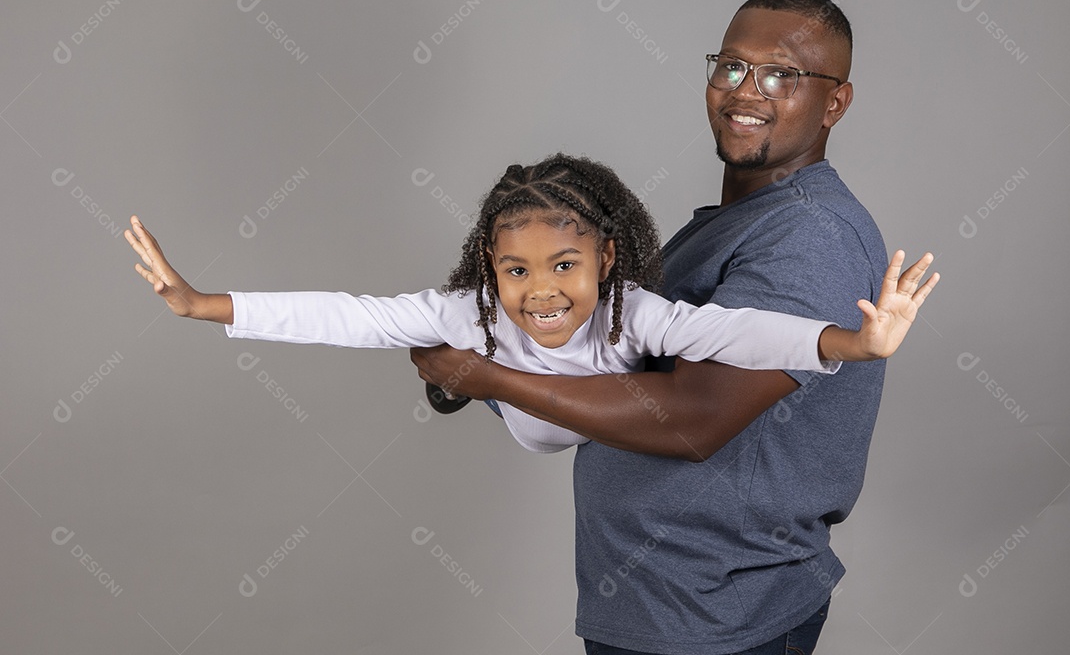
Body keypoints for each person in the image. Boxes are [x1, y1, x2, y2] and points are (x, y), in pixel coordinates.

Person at [410, 0, 918, 654]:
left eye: (781, 75)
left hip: (720, 616)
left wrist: (488, 377)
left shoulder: (809, 235)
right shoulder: (726, 229)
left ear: (835, 103)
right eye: (730, 66)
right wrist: (468, 366)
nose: (745, 91)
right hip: (655, 607)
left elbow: (694, 416)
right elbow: (604, 375)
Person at [124, 153, 934, 455]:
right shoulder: (469, 312)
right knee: (422, 344)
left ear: (608, 261)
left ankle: (465, 383)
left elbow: (736, 330)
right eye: (516, 269)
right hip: (522, 418)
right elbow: (347, 314)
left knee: (689, 349)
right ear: (489, 268)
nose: (541, 290)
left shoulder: (632, 310)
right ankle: (456, 385)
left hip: (571, 401)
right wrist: (203, 304)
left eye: (566, 265)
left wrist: (848, 344)